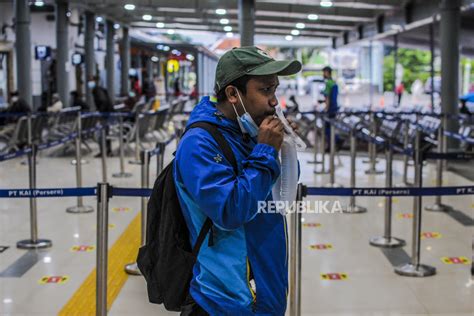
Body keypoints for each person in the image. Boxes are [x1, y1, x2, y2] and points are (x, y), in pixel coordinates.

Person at [174, 46, 301, 315]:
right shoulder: (199, 144)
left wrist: (282, 148)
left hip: (265, 286)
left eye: (275, 90)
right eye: (265, 90)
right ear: (233, 94)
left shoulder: (247, 131)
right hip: (227, 300)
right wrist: (266, 151)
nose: (274, 101)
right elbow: (230, 212)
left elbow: (280, 193)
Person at [89, 76, 113, 156]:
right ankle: (108, 150)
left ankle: (104, 152)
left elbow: (103, 101)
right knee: (106, 133)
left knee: (101, 134)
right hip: (107, 114)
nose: (89, 82)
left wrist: (100, 113)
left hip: (104, 114)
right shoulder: (101, 89)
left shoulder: (97, 90)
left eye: (91, 80)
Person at [320, 66, 340, 151]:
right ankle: (336, 141)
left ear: (327, 72)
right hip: (335, 107)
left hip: (330, 109)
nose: (323, 74)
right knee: (332, 127)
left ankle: (334, 141)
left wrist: (326, 109)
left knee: (327, 128)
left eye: (324, 72)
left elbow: (327, 97)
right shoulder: (334, 83)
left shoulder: (328, 83)